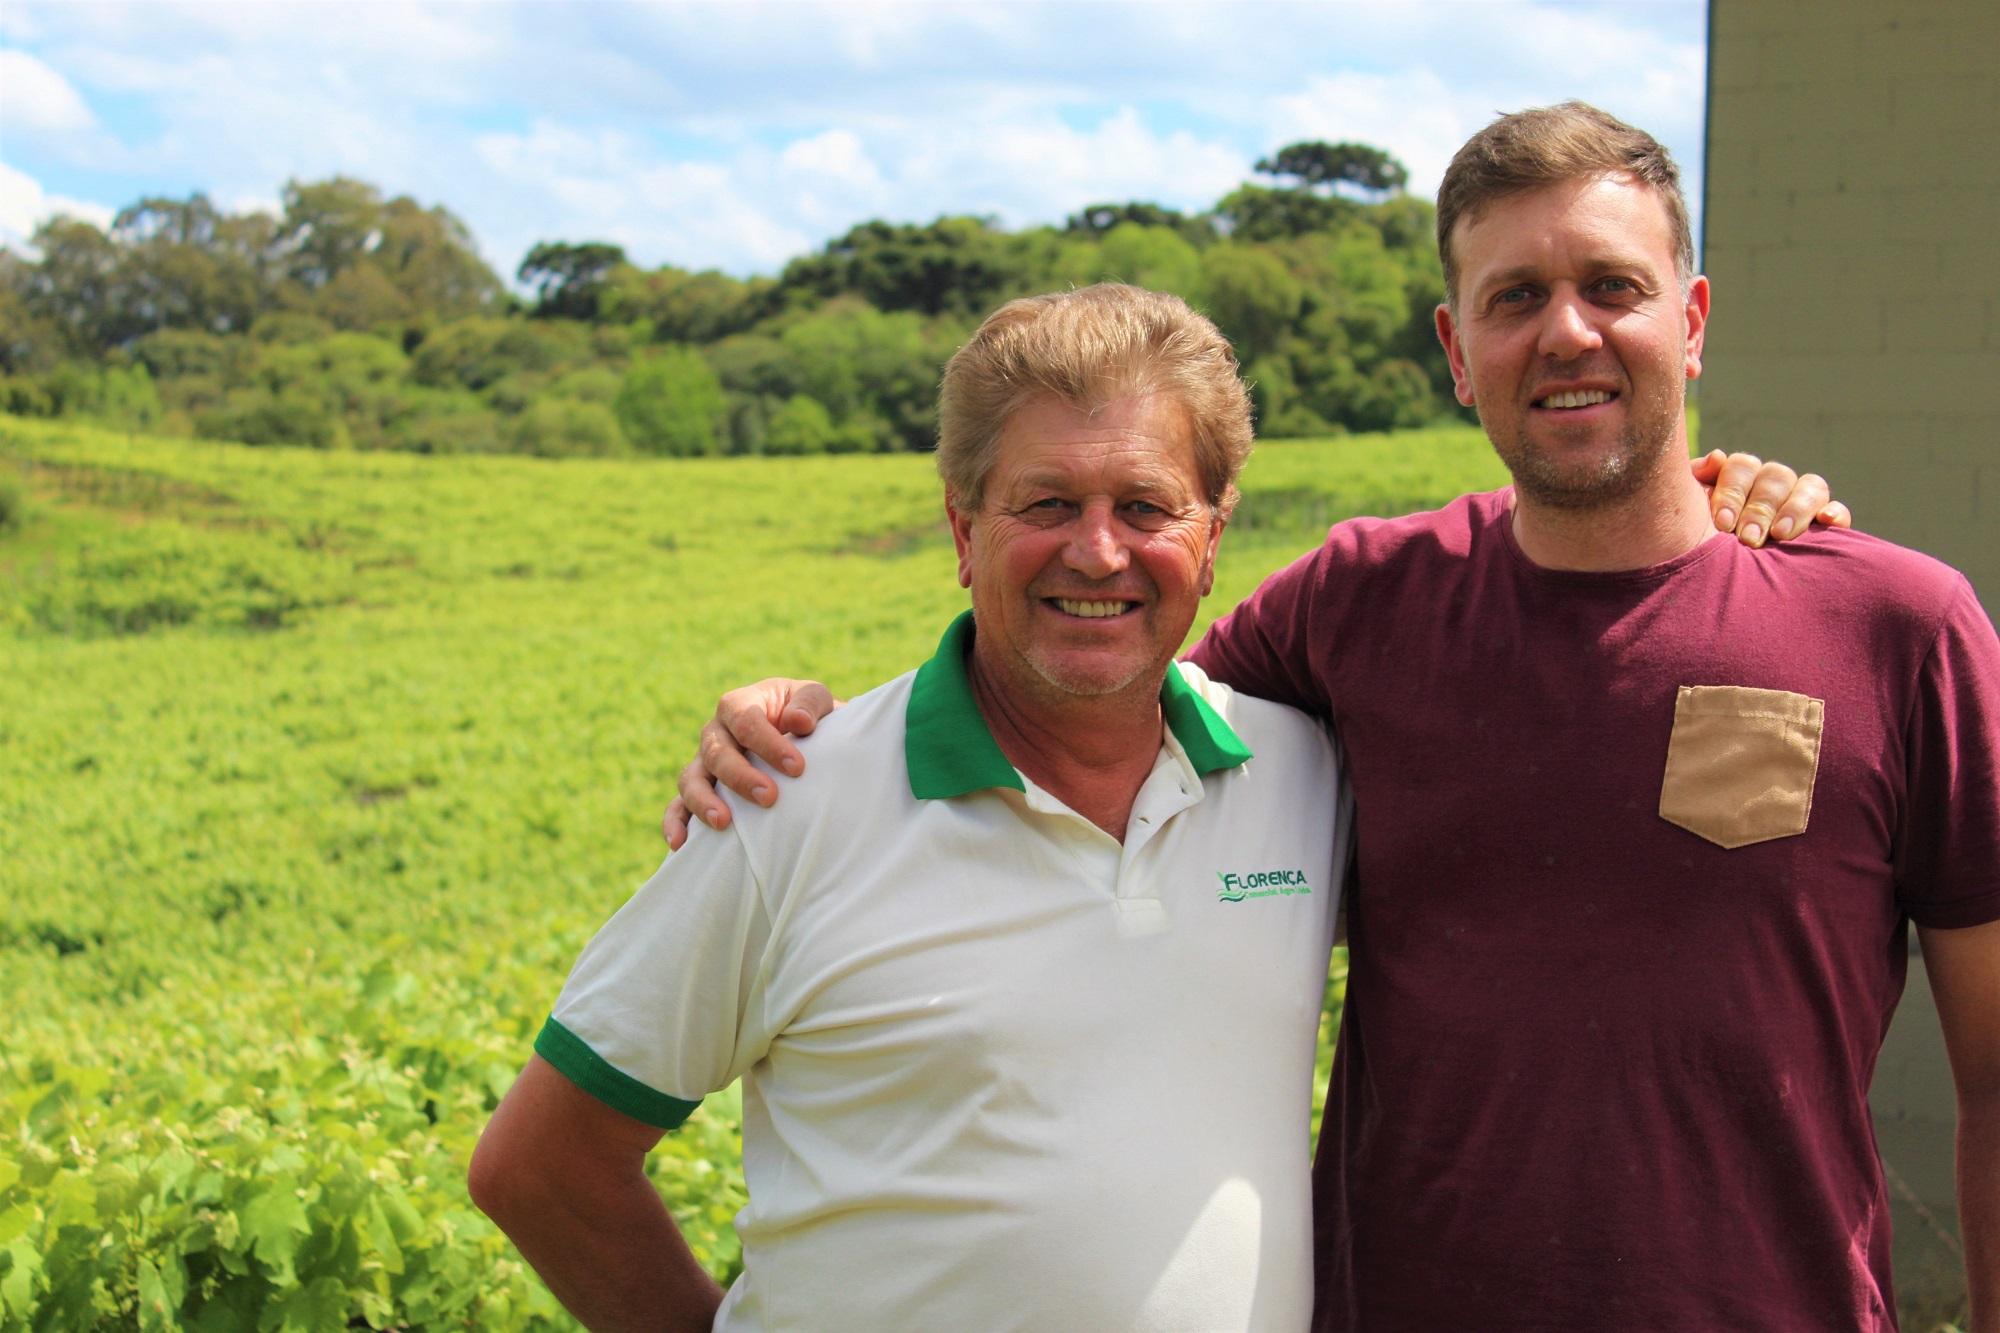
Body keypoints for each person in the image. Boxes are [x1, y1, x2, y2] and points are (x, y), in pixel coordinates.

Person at [672, 102, 2000, 1331]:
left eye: (1614, 288)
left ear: (1693, 319)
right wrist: (808, 721)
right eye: (1515, 297)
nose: (1569, 333)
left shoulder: (1896, 628)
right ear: (1455, 351)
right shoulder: (1363, 608)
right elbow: (1092, 678)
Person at [471, 284, 1356, 1331]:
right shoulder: (787, 802)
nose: (1097, 550)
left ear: (1211, 539)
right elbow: (540, 1164)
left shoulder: (1299, 774)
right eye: (1045, 503)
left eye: (1145, 506)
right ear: (962, 528)